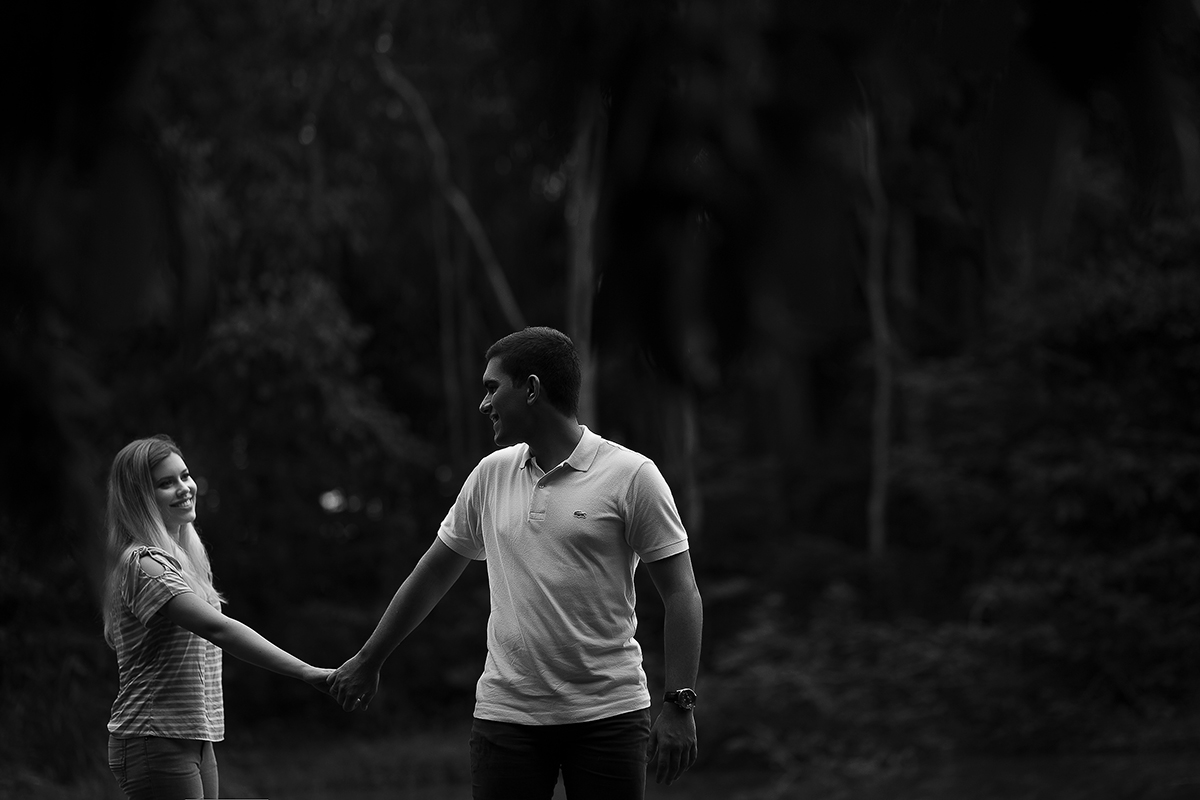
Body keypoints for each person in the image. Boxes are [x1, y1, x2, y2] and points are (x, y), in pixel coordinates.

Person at [329, 326, 704, 799]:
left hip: (608, 714)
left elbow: (681, 593)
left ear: (531, 389)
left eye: (492, 388)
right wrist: (369, 659)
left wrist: (679, 703)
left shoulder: (631, 476)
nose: (483, 404)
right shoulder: (491, 475)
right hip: (507, 717)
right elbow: (433, 575)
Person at [101, 434, 332, 800]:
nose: (184, 488)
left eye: (184, 476)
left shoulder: (182, 560)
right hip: (154, 736)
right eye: (165, 483)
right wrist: (307, 672)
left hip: (194, 736)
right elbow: (217, 629)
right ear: (140, 498)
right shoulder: (144, 564)